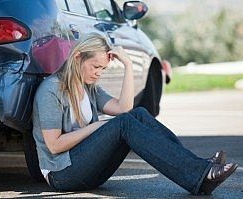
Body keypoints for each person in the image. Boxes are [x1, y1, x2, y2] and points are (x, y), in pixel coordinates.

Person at [32, 33, 238, 195]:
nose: (98, 73)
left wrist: (128, 65)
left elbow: (124, 108)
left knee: (138, 114)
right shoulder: (51, 90)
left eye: (103, 69)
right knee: (123, 124)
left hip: (87, 168)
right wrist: (96, 126)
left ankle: (198, 170)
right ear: (77, 58)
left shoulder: (89, 87)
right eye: (95, 66)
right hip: (62, 174)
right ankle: (200, 173)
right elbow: (54, 145)